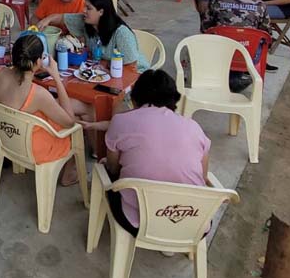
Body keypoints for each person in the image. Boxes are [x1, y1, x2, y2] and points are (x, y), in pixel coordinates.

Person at [81, 69, 211, 237]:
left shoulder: (121, 121)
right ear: (173, 99)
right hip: (193, 222)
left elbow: (113, 169)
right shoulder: (194, 127)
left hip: (138, 221)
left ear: (135, 98)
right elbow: (203, 176)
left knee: (105, 171)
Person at [0, 33, 79, 186]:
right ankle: (68, 176)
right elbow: (70, 122)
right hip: (32, 149)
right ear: (38, 62)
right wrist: (56, 77)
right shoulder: (39, 94)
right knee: (76, 131)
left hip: (7, 141)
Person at [43, 0, 149, 70]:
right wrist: (46, 21)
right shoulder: (86, 22)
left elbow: (131, 65)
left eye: (88, 8)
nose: (84, 11)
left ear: (101, 12)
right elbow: (62, 18)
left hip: (134, 76)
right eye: (84, 7)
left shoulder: (121, 33)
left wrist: (105, 65)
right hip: (102, 71)